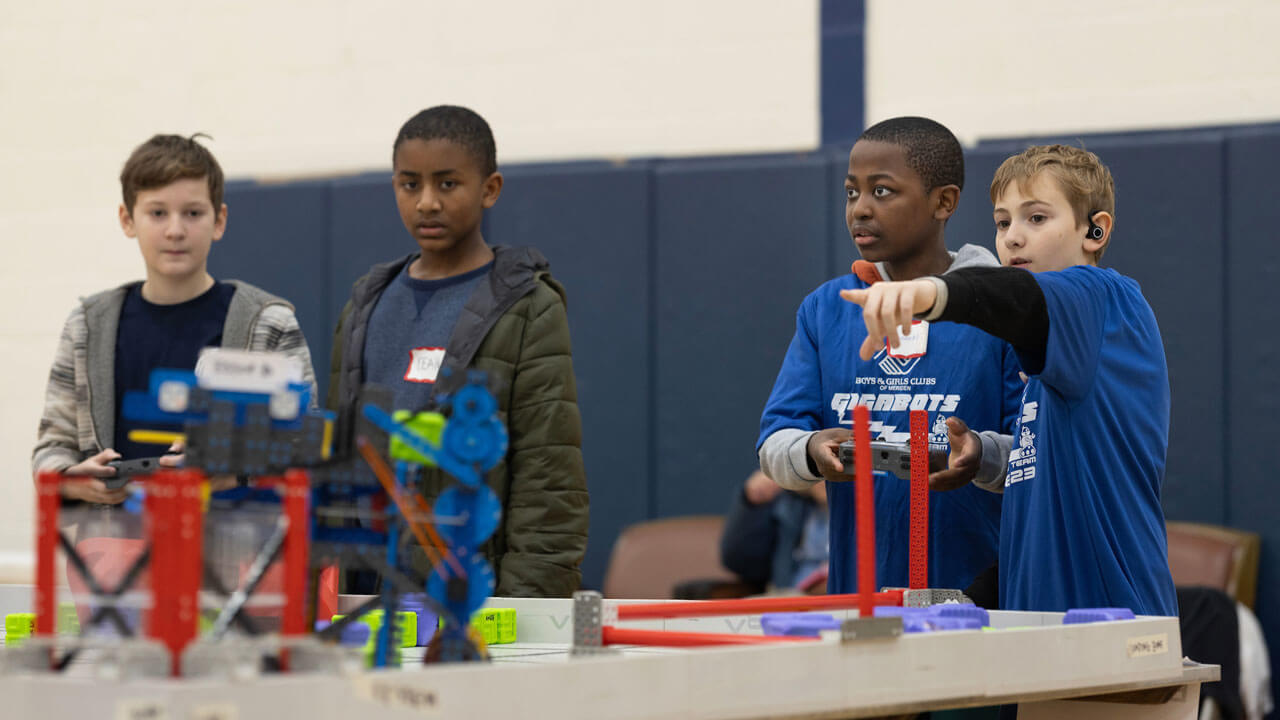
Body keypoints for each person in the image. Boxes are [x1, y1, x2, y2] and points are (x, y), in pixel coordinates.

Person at [839, 144, 1178, 616]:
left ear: (1095, 230)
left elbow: (1012, 297)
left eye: (1036, 219)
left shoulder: (1104, 298)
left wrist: (928, 291)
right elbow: (1038, 530)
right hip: (1046, 636)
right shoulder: (1048, 363)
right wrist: (960, 603)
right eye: (1003, 223)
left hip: (1115, 628)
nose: (1013, 238)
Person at [326, 105, 588, 597]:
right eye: (410, 185)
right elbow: (339, 460)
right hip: (360, 592)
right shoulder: (365, 302)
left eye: (447, 184)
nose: (427, 202)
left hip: (465, 598)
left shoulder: (528, 307)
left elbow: (549, 479)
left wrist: (523, 612)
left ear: (490, 189)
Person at [758, 117, 1024, 595]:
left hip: (976, 605)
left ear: (944, 202)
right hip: (856, 604)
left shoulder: (999, 310)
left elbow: (1033, 457)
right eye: (851, 193)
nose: (860, 209)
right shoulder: (826, 309)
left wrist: (978, 455)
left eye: (882, 192)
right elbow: (774, 446)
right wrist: (812, 452)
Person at [32, 134, 318, 502]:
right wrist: (71, 479)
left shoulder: (268, 324)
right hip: (110, 547)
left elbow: (308, 448)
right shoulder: (87, 326)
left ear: (220, 220)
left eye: (193, 213)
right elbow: (50, 448)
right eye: (157, 213)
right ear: (127, 219)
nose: (175, 230)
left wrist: (234, 471)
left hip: (237, 548)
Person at [719, 469, 829, 592]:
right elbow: (740, 562)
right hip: (793, 600)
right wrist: (752, 502)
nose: (827, 478)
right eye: (820, 468)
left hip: (848, 599)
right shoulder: (790, 505)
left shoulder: (852, 507)